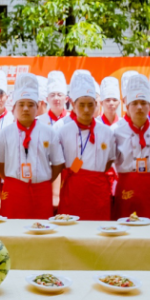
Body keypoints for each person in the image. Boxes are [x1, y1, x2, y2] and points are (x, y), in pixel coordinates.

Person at [0, 73, 63, 219]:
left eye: (30, 105)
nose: (26, 109)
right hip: (14, 190)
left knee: (41, 232)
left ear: (37, 107)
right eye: (21, 104)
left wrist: (45, 180)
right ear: (14, 107)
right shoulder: (5, 133)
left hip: (41, 190)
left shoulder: (49, 132)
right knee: (14, 233)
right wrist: (14, 181)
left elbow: (57, 163)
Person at [54, 72, 115, 220]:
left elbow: (109, 161)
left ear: (96, 105)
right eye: (82, 105)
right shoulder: (63, 131)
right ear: (73, 105)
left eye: (90, 105)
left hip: (98, 191)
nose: (87, 110)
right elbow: (57, 163)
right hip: (72, 189)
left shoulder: (107, 132)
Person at [112, 75, 150, 220]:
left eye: (143, 102)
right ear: (127, 106)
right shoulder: (115, 132)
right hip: (126, 188)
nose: (139, 107)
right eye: (135, 103)